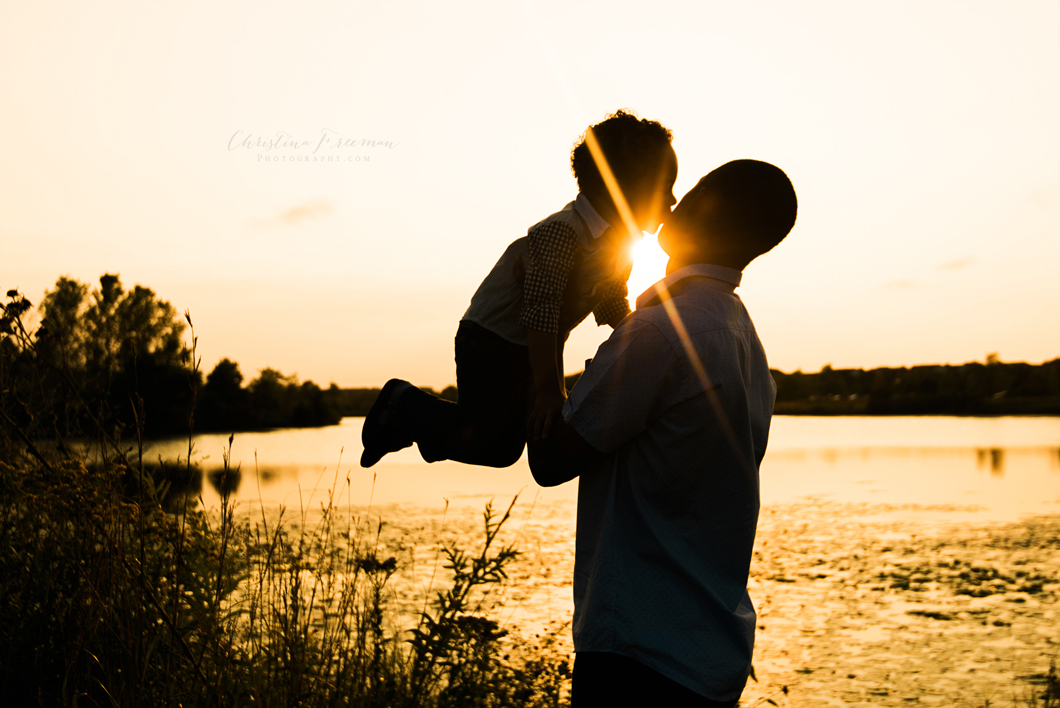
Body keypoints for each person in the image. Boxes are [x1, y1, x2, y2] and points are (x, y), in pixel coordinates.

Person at [528, 159, 798, 707]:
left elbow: (550, 459)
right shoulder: (741, 335)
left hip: (640, 659)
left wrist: (541, 345)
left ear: (721, 220)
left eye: (694, 194)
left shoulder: (660, 331)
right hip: (704, 656)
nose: (675, 204)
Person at [360, 110, 678, 469]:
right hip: (490, 339)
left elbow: (608, 303)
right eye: (665, 186)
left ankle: (404, 423)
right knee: (488, 442)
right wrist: (548, 390)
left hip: (535, 345)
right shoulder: (561, 234)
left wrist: (643, 338)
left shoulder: (620, 247)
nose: (673, 199)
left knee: (507, 445)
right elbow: (541, 311)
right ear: (624, 185)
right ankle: (403, 404)